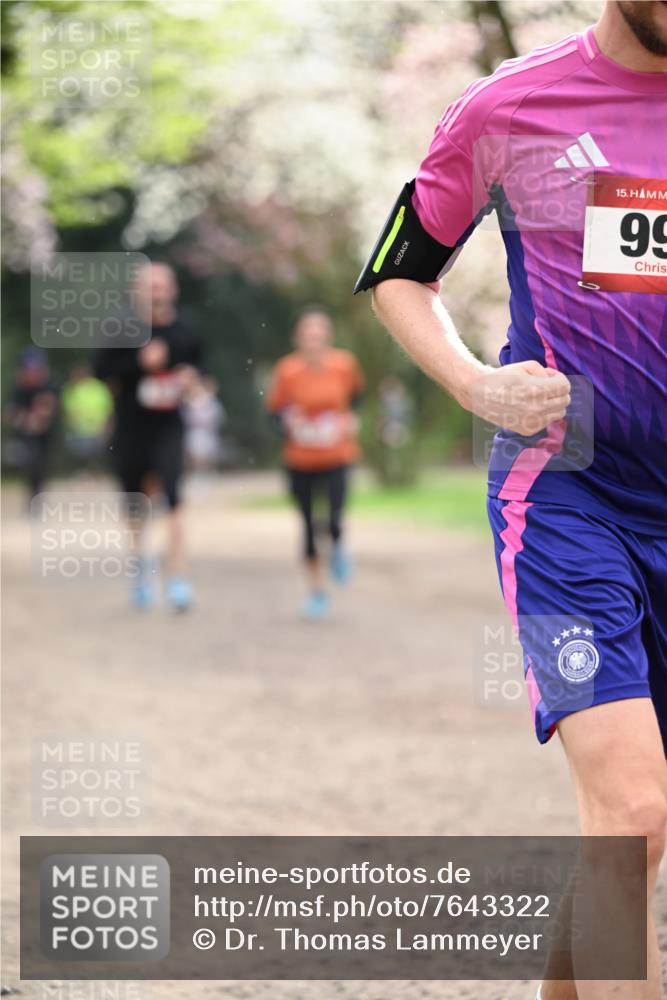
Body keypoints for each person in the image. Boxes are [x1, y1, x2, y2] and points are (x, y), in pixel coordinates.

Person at [356, 3, 666, 998]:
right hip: (567, 493)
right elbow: (400, 271)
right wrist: (471, 383)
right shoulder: (508, 107)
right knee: (633, 813)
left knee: (630, 835)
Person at [95, 262, 204, 611]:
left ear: (173, 290)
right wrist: (139, 363)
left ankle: (178, 578)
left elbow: (203, 368)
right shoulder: (121, 328)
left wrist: (192, 378)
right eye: (149, 286)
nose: (156, 292)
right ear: (136, 292)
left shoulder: (185, 327)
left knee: (173, 496)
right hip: (129, 427)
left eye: (161, 286)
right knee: (135, 504)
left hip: (169, 425)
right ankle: (141, 569)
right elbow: (100, 370)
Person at [267, 307, 364, 620]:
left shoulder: (344, 364)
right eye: (308, 335)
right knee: (308, 526)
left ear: (327, 337)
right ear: (298, 338)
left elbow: (357, 397)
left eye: (319, 335)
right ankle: (317, 592)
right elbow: (273, 414)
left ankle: (337, 548)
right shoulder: (287, 371)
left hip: (337, 455)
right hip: (300, 459)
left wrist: (351, 418)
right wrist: (287, 421)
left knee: (335, 518)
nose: (314, 341)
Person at [7, 347, 59, 504]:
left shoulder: (49, 384)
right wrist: (26, 420)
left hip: (45, 433)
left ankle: (38, 493)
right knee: (31, 462)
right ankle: (33, 495)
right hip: (26, 433)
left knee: (41, 464)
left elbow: (49, 406)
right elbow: (11, 413)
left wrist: (41, 416)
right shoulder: (19, 389)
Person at [61, 363, 113, 473]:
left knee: (95, 455)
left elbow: (108, 407)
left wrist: (107, 424)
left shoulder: (98, 388)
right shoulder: (71, 388)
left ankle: (94, 473)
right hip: (78, 430)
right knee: (81, 456)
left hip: (97, 429)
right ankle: (84, 473)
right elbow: (67, 409)